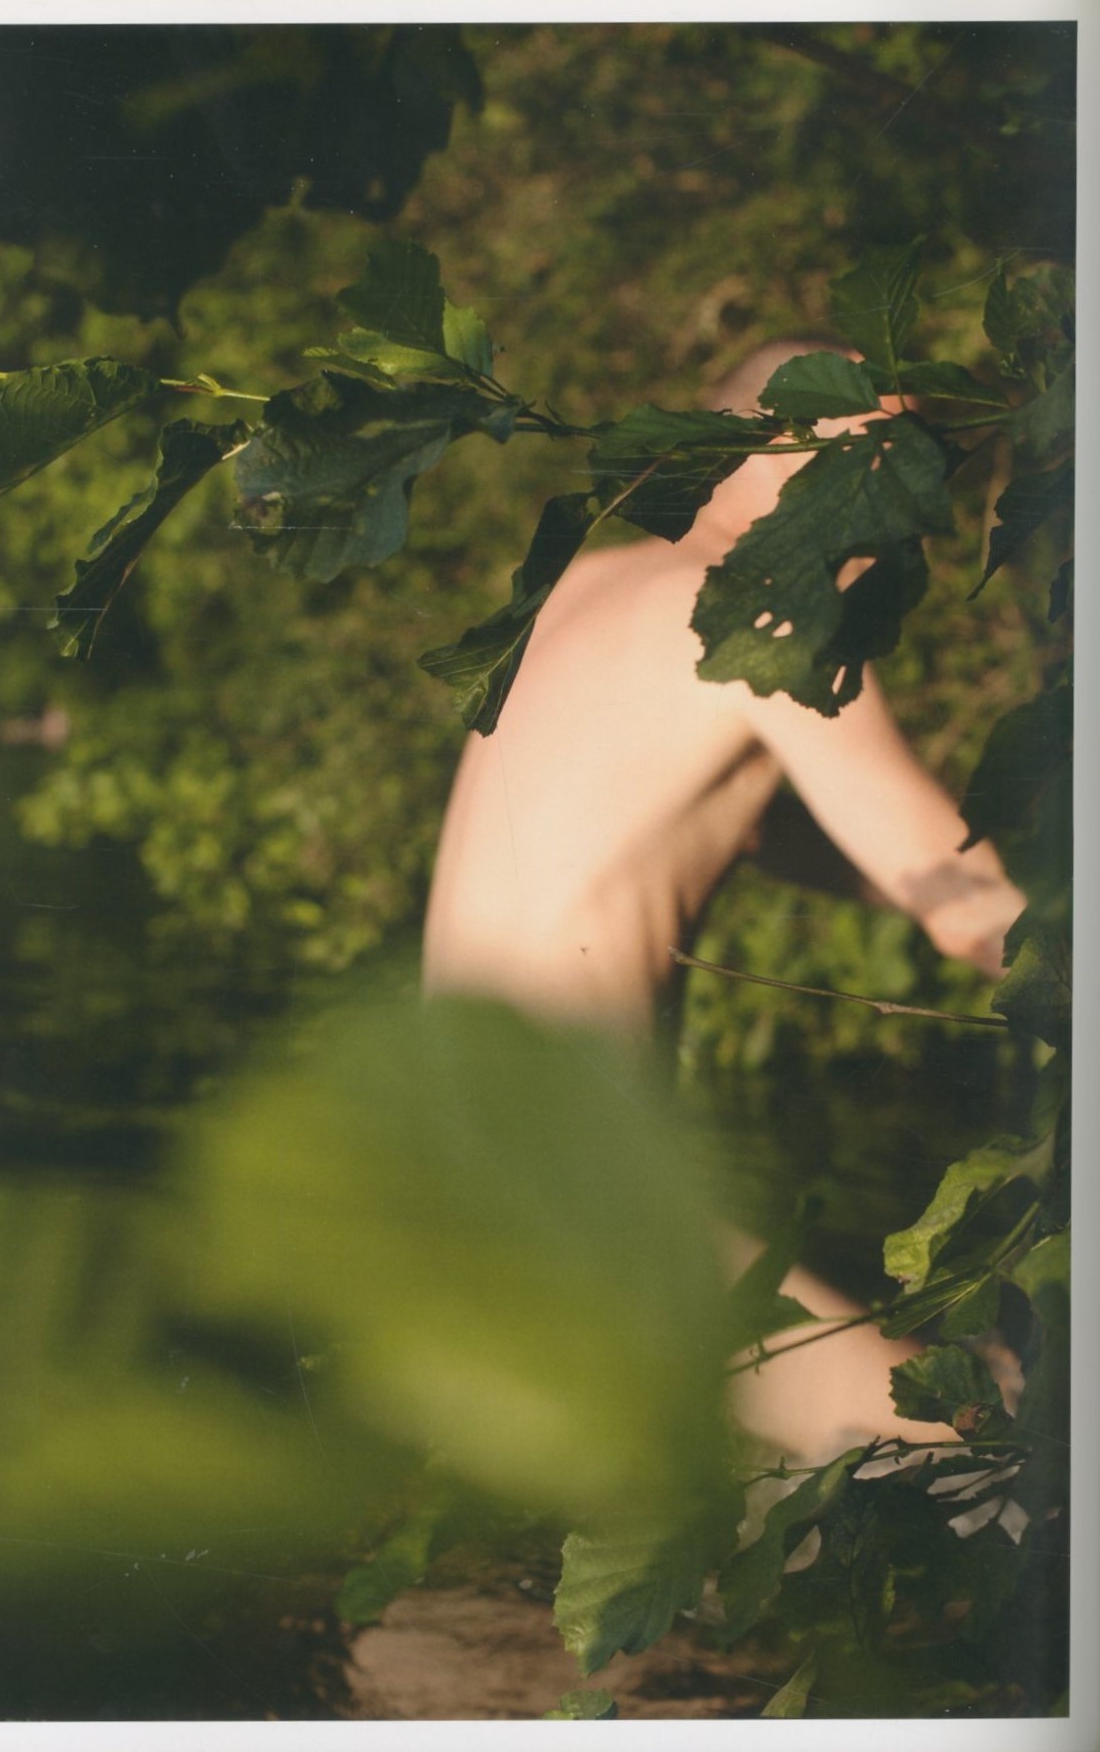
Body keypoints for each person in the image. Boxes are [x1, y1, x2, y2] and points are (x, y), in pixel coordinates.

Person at [422, 343, 1025, 1463]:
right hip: (572, 1188)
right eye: (877, 470)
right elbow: (971, 914)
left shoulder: (581, 588)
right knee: (977, 1458)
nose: (903, 518)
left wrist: (947, 875)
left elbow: (743, 826)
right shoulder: (765, 619)